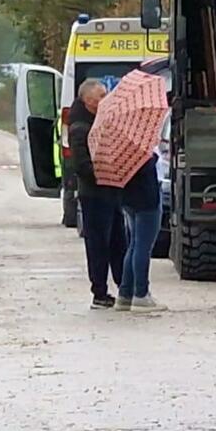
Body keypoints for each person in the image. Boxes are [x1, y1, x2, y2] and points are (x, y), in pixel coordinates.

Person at [68, 80, 125, 309]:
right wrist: (105, 172)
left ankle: (124, 287)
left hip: (111, 192)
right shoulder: (80, 127)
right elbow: (82, 166)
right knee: (98, 245)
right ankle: (100, 293)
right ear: (88, 100)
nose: (105, 99)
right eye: (101, 96)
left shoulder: (101, 122)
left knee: (119, 242)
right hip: (94, 195)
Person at [116, 151, 167, 313]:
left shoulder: (119, 149)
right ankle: (141, 294)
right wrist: (154, 157)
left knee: (134, 245)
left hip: (129, 199)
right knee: (143, 247)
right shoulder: (140, 151)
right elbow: (145, 168)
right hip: (146, 200)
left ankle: (125, 294)